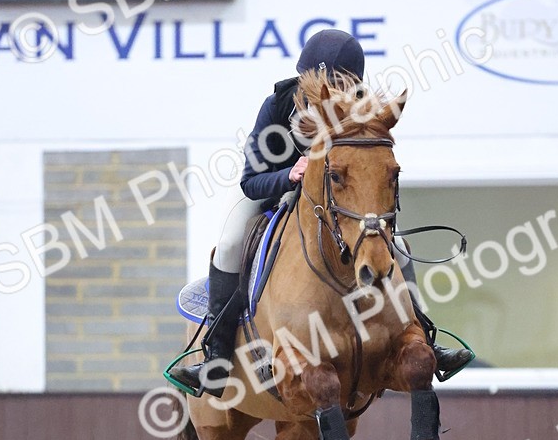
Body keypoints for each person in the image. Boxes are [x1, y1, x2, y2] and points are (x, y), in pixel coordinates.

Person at [171, 28, 473, 396]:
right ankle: (215, 358)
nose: (331, 96)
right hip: (274, 195)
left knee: (396, 247)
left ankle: (425, 335)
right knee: (231, 242)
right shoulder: (278, 106)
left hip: (337, 207)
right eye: (325, 83)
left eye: (341, 86)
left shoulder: (361, 111)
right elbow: (251, 180)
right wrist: (290, 174)